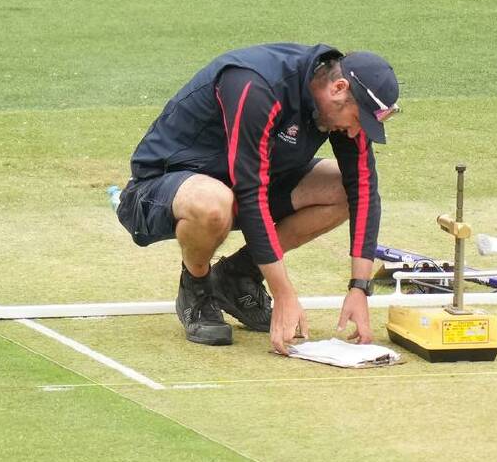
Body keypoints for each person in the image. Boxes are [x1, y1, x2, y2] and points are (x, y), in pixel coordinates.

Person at [116, 43, 399, 353]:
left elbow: (362, 188)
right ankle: (196, 286)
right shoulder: (256, 86)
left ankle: (237, 277)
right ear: (339, 88)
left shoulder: (335, 107)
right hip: (160, 189)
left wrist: (359, 288)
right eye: (359, 119)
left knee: (341, 190)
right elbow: (251, 194)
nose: (356, 132)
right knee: (213, 203)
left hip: (241, 186)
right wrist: (284, 294)